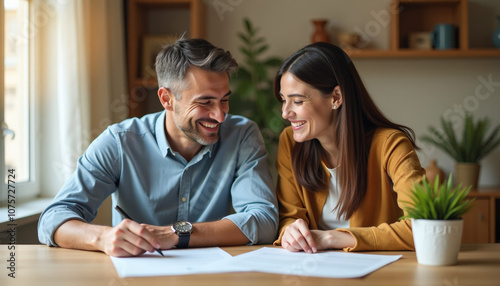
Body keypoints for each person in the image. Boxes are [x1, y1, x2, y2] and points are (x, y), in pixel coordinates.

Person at [38, 38, 278, 257]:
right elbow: (53, 218)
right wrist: (102, 237)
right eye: (205, 102)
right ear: (166, 99)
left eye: (224, 99)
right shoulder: (120, 142)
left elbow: (264, 220)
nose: (220, 115)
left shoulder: (242, 135)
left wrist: (177, 233)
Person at [272, 42, 425, 253]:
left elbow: (422, 226)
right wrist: (290, 230)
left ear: (336, 97)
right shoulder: (289, 142)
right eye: (283, 100)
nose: (285, 113)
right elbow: (290, 215)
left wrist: (332, 238)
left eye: (297, 101)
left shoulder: (390, 145)